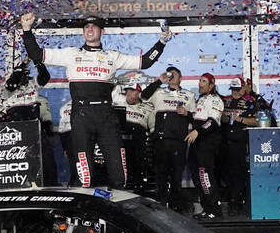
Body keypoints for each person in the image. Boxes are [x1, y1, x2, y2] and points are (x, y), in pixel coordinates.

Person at [20, 12, 171, 188]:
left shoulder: (112, 56)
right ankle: (87, 213)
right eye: (86, 27)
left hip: (106, 115)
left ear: (102, 32)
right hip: (82, 116)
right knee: (85, 176)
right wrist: (27, 30)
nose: (89, 29)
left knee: (118, 172)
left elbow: (145, 62)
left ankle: (113, 212)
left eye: (93, 26)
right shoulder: (71, 54)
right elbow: (37, 55)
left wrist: (162, 42)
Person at [142, 66, 196, 206]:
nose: (171, 76)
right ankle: (161, 203)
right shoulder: (159, 92)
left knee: (177, 174)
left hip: (179, 141)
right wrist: (159, 81)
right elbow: (144, 96)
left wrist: (186, 113)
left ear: (181, 78)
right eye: (169, 74)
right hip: (161, 140)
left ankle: (176, 205)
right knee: (161, 173)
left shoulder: (189, 95)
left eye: (174, 74)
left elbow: (195, 118)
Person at [220, 78, 261, 216]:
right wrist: (224, 117)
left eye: (237, 90)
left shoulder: (250, 102)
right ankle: (229, 200)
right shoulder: (225, 100)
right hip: (224, 142)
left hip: (240, 143)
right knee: (224, 173)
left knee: (238, 174)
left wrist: (240, 119)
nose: (235, 93)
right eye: (233, 89)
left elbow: (257, 121)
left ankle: (236, 203)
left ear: (244, 88)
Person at [187, 73, 225, 219]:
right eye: (199, 80)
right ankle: (206, 208)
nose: (199, 83)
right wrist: (187, 114)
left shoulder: (216, 100)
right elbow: (198, 118)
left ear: (211, 85)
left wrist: (197, 131)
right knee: (197, 176)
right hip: (197, 143)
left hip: (207, 143)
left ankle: (215, 210)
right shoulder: (200, 99)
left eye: (203, 81)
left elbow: (213, 122)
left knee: (205, 175)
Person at [113, 82, 155, 193]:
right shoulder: (118, 103)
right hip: (119, 142)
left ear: (138, 93)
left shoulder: (148, 107)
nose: (129, 94)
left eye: (132, 91)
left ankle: (139, 190)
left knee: (138, 167)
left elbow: (153, 127)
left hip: (137, 142)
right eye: (127, 91)